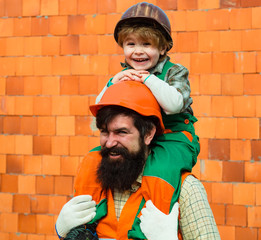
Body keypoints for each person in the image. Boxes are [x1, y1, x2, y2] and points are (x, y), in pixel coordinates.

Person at [55, 81, 220, 240]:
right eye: (105, 132)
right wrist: (63, 233)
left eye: (122, 132)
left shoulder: (187, 190)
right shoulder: (94, 183)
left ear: (148, 134)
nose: (110, 142)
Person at [96, 2, 200, 186]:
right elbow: (100, 107)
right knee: (94, 160)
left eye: (147, 44)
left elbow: (175, 104)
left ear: (162, 49)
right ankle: (97, 208)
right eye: (131, 44)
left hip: (173, 136)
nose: (138, 51)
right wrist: (113, 82)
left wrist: (148, 80)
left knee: (160, 170)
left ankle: (158, 210)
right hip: (139, 139)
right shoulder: (126, 74)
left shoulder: (174, 72)